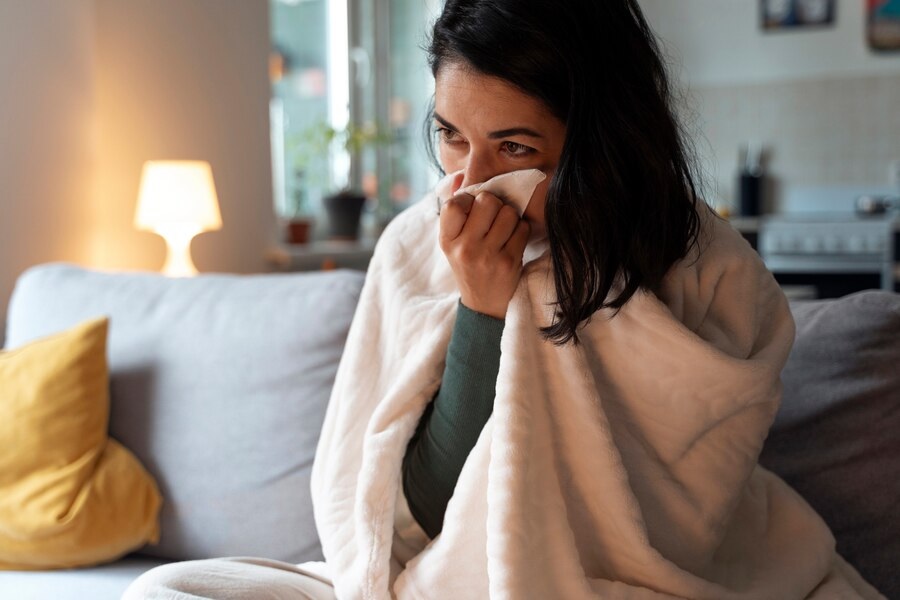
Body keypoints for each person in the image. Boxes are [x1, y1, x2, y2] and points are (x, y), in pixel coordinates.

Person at [124, 0, 884, 598]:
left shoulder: (705, 269)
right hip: (444, 575)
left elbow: (683, 525)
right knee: (168, 590)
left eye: (515, 149)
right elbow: (407, 521)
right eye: (452, 136)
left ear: (599, 140)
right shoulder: (416, 246)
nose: (469, 183)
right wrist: (482, 314)